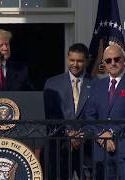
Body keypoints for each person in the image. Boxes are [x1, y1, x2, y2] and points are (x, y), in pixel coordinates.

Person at [85, 45, 125, 180]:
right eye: (108, 61)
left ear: (124, 59)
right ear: (104, 64)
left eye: (117, 59)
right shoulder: (97, 85)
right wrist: (101, 135)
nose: (113, 63)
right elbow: (89, 115)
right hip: (100, 151)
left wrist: (112, 132)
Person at [44, 43, 93, 179]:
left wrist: (82, 134)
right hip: (60, 146)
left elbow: (96, 115)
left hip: (87, 148)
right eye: (72, 60)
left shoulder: (96, 84)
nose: (75, 64)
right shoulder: (52, 83)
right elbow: (50, 114)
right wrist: (68, 133)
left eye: (80, 61)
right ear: (67, 59)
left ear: (87, 61)